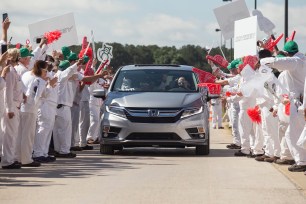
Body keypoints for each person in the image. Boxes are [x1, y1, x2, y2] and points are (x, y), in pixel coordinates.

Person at [261, 41, 306, 172]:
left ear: (287, 53)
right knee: (296, 133)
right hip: (300, 101)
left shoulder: (296, 61)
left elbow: (276, 62)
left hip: (298, 103)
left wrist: (264, 59)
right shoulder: (302, 60)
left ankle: (302, 161)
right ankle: (301, 160)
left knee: (292, 134)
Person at [16, 60, 48, 167]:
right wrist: (48, 85)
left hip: (21, 106)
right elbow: (42, 95)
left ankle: (17, 157)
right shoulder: (40, 80)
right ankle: (26, 159)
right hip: (31, 108)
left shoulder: (26, 74)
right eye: (46, 70)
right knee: (28, 135)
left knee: (19, 134)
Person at [1, 48, 23, 169]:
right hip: (11, 106)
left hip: (16, 104)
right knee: (9, 135)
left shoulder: (13, 70)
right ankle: (7, 161)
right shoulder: (9, 70)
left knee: (13, 134)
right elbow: (7, 91)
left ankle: (11, 158)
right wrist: (9, 109)